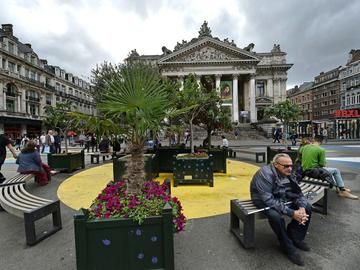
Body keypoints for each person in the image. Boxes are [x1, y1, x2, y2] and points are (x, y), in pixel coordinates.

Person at [250, 153, 311, 266]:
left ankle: (295, 237)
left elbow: (298, 193)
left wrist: (301, 207)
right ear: (276, 165)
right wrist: (292, 213)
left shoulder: (289, 172)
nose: (289, 168)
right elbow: (268, 200)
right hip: (262, 200)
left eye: (291, 165)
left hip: (281, 195)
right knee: (275, 216)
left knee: (308, 207)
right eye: (286, 166)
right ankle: (287, 246)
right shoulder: (265, 174)